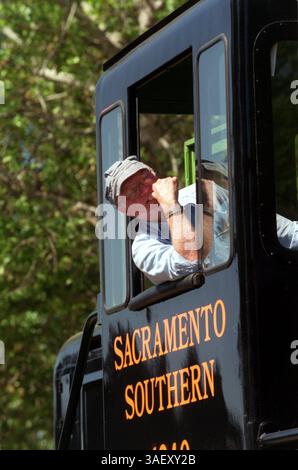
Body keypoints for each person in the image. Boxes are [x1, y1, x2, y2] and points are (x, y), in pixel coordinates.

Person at [104, 156, 229, 284]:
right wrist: (170, 205)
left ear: (155, 175)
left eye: (146, 178)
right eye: (133, 191)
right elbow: (192, 257)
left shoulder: (196, 192)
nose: (146, 189)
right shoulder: (143, 249)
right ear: (124, 209)